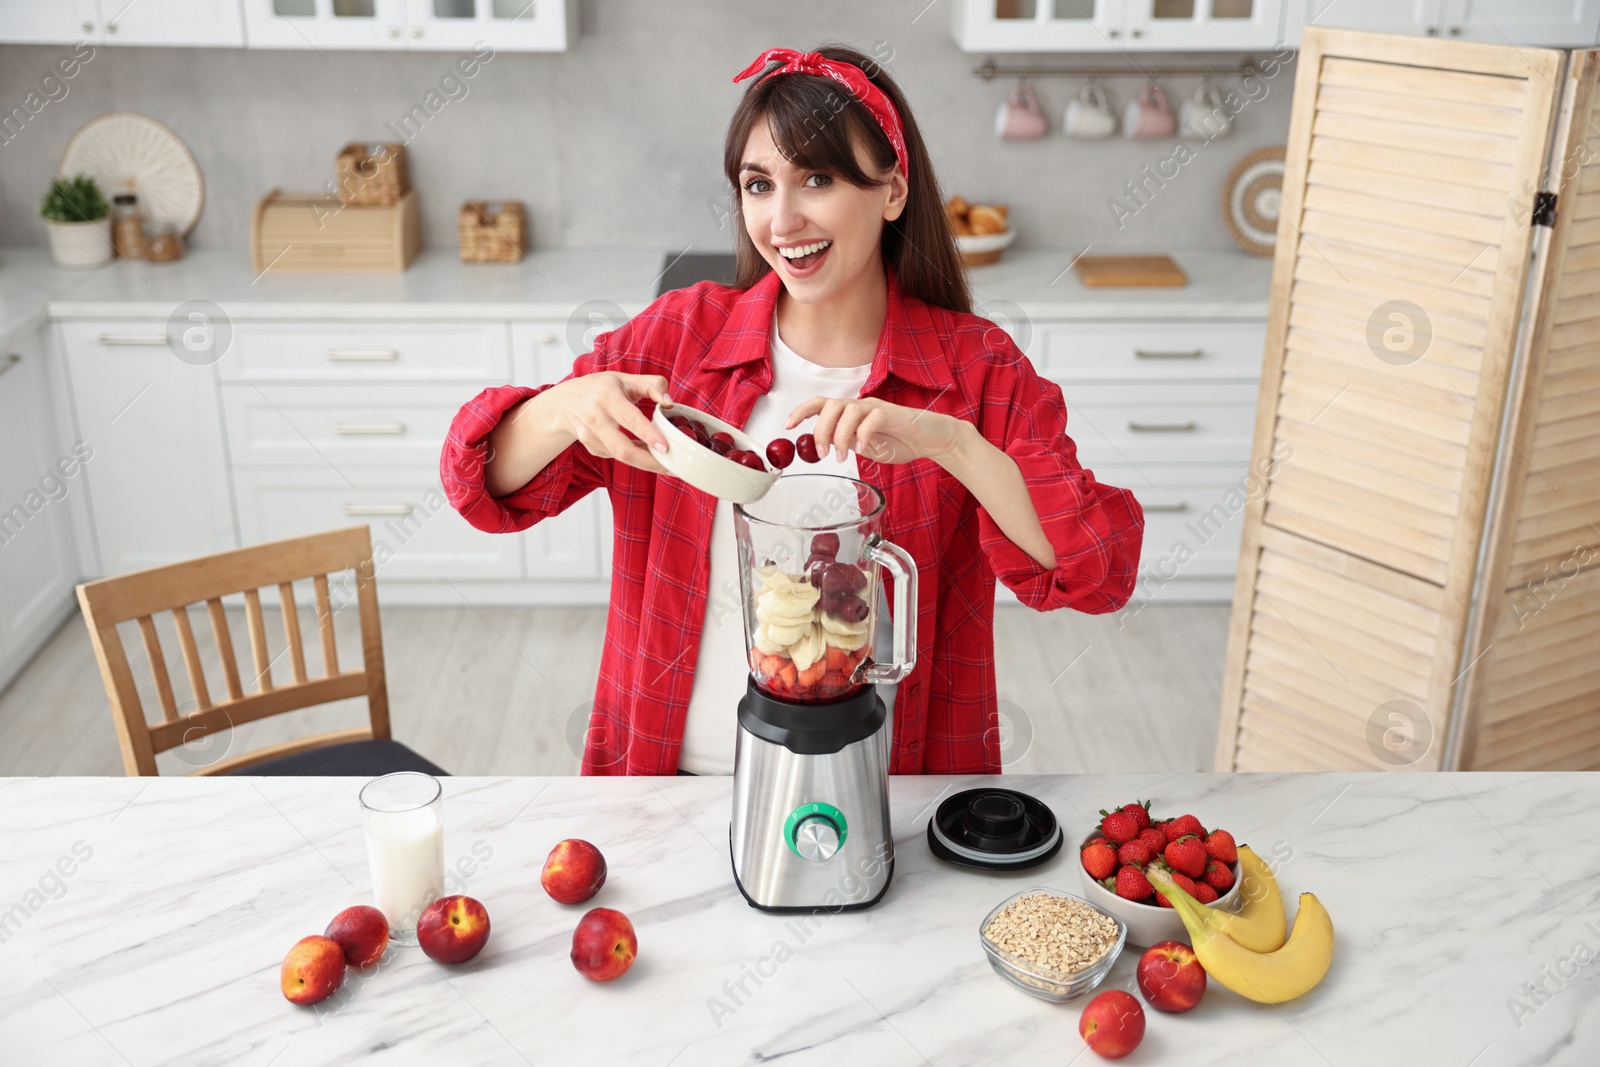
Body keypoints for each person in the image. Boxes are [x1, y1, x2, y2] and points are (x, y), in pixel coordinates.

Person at [440, 44, 1143, 776]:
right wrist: (561, 408)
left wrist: (956, 446)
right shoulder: (678, 343)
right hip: (675, 786)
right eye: (757, 184)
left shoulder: (975, 369)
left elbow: (1098, 570)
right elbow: (481, 487)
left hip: (894, 791)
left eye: (817, 178)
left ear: (893, 190)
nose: (781, 220)